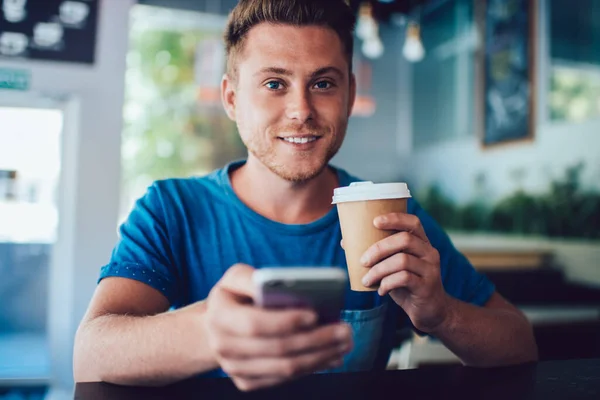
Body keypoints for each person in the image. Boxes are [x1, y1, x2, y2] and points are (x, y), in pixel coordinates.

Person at [73, 0, 538, 391]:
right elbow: (90, 355)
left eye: (323, 83)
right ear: (232, 99)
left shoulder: (390, 215)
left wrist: (441, 314)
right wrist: (206, 333)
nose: (301, 110)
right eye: (274, 84)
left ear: (350, 95)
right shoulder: (171, 210)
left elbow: (520, 343)